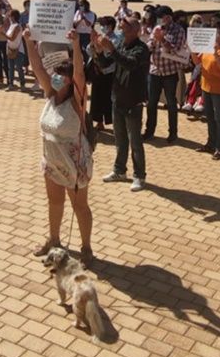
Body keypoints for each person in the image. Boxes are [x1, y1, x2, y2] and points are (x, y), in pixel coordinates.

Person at [27, 28, 95, 262]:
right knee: (54, 202)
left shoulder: (76, 101)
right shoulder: (50, 93)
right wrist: (29, 42)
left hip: (74, 162)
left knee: (80, 207)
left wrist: (76, 45)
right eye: (54, 74)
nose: (54, 77)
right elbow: (36, 67)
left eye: (59, 75)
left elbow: (79, 73)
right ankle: (53, 239)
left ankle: (86, 248)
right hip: (52, 160)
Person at [96, 17, 150, 192]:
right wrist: (98, 52)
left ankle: (139, 176)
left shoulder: (141, 49)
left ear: (135, 30)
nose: (120, 30)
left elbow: (130, 64)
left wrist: (111, 49)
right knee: (120, 139)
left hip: (133, 101)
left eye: (124, 28)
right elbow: (107, 64)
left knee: (135, 141)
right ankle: (119, 171)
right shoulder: (120, 45)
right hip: (117, 98)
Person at [144, 6, 186, 143]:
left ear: (168, 17)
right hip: (155, 71)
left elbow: (175, 50)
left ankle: (173, 132)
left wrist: (162, 39)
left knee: (171, 103)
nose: (160, 20)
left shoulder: (178, 30)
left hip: (170, 72)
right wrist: (152, 42)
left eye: (162, 17)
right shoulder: (157, 28)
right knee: (151, 103)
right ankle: (149, 131)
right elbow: (149, 45)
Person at [195, 22, 220, 159]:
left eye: (217, 33)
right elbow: (197, 62)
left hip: (219, 89)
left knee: (219, 119)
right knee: (210, 117)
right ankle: (210, 144)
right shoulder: (208, 45)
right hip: (206, 86)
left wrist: (216, 55)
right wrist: (192, 49)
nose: (214, 36)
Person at [87, 16, 116, 131]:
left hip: (110, 73)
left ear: (111, 27)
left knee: (110, 98)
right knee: (96, 98)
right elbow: (89, 51)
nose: (103, 28)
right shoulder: (97, 37)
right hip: (97, 71)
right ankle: (99, 122)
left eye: (105, 26)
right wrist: (93, 42)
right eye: (101, 26)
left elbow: (110, 54)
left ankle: (114, 122)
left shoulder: (116, 39)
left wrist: (101, 46)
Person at [5, 9, 26, 89]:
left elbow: (12, 38)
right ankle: (11, 84)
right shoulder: (11, 25)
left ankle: (22, 84)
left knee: (19, 68)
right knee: (11, 68)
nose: (9, 17)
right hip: (10, 49)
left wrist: (2, 33)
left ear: (13, 17)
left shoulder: (17, 26)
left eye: (10, 16)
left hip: (18, 50)